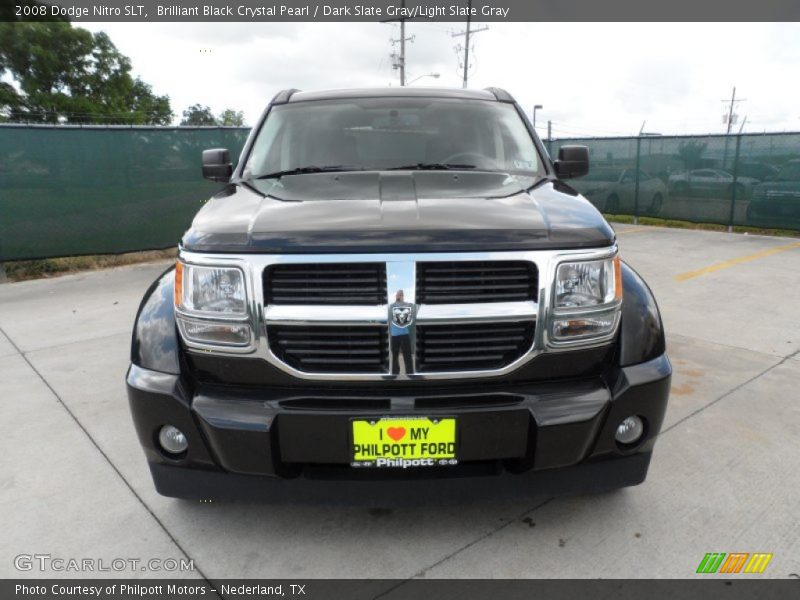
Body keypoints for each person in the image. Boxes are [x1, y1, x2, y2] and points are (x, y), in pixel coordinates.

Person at [390, 289, 414, 375]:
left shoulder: (408, 305)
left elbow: (412, 307)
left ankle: (410, 373)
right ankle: (395, 373)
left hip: (405, 334)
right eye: (397, 294)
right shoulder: (392, 306)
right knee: (395, 356)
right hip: (394, 334)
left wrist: (403, 302)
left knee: (407, 355)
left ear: (403, 296)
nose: (398, 296)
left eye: (400, 295)